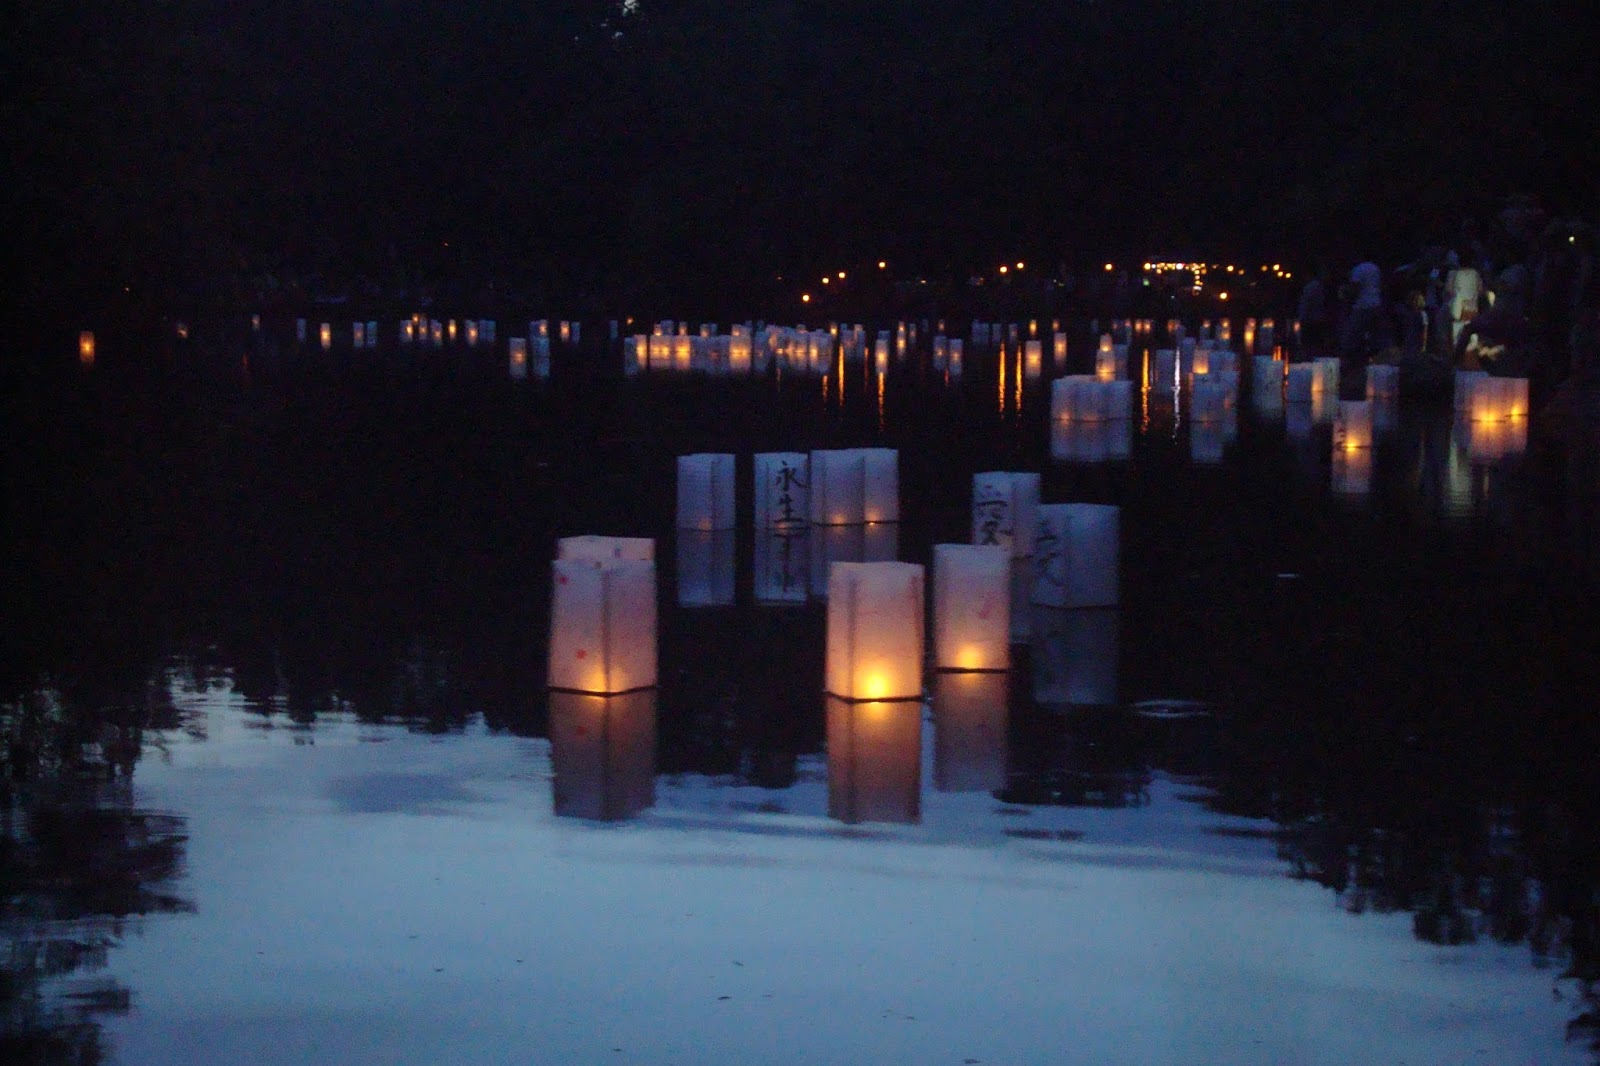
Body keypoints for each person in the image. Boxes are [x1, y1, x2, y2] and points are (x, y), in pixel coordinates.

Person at [1444, 249, 1483, 348]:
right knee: (1471, 343)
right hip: (1472, 311)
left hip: (1458, 311)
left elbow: (1448, 291)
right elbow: (1480, 291)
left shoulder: (1452, 274)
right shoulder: (1476, 274)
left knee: (1456, 341)